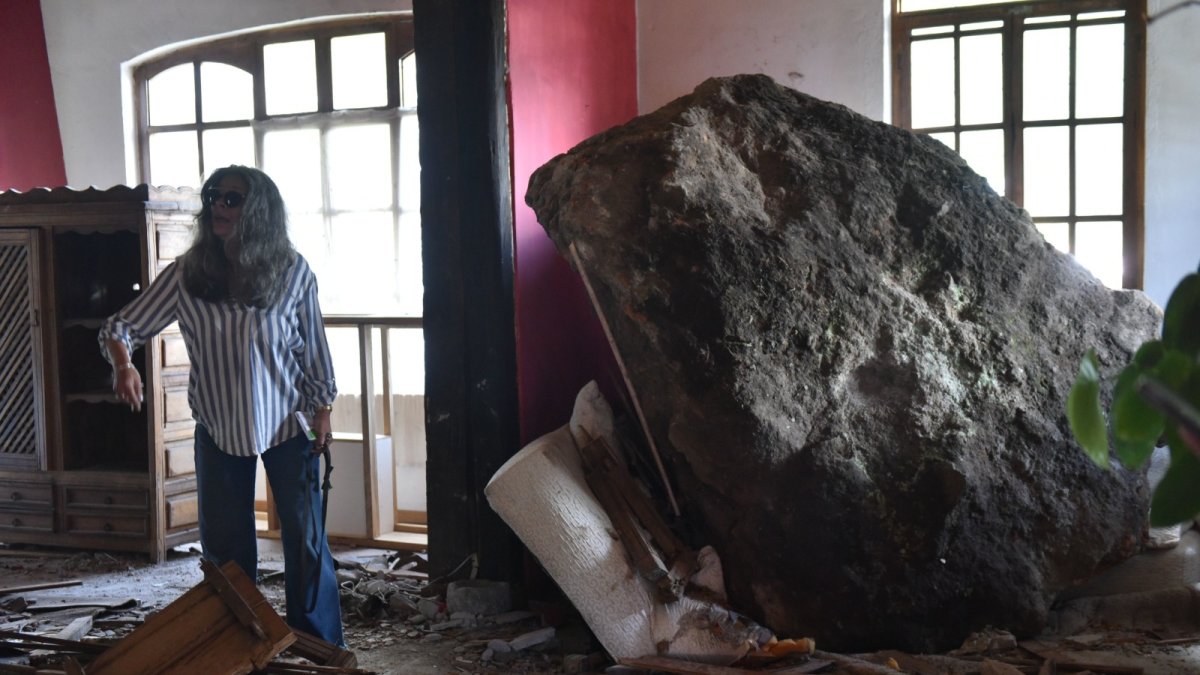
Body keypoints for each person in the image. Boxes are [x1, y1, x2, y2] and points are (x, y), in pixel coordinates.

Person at [99, 165, 343, 645]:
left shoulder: (292, 271)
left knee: (306, 541)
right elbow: (120, 327)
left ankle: (317, 642)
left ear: (259, 212)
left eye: (232, 199)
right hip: (218, 427)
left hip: (288, 427)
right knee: (227, 548)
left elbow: (312, 349)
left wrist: (323, 413)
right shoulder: (187, 275)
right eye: (214, 196)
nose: (219, 206)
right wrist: (124, 365)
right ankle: (240, 637)